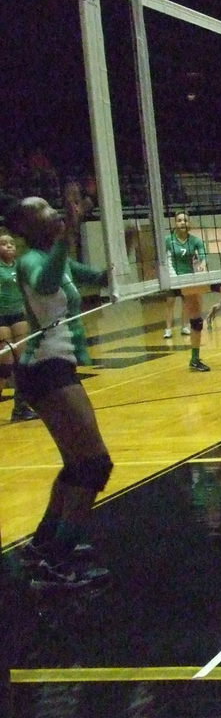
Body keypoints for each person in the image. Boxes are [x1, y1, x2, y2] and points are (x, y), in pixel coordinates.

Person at [0, 190, 114, 588]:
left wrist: (118, 273)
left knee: (75, 464)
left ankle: (44, 544)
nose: (53, 213)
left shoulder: (52, 258)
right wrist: (68, 235)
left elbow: (82, 274)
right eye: (44, 211)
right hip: (45, 370)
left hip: (54, 366)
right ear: (25, 229)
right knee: (95, 465)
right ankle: (57, 564)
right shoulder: (32, 261)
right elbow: (48, 281)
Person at [163, 211, 211, 371]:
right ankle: (168, 329)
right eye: (179, 220)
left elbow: (203, 254)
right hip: (173, 279)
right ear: (175, 223)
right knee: (169, 303)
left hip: (191, 281)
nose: (182, 222)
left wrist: (203, 264)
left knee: (193, 313)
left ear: (189, 223)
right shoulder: (168, 240)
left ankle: (194, 354)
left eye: (185, 220)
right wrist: (173, 279)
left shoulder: (195, 240)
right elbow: (164, 259)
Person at [1, 232, 36, 420]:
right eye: (4, 244)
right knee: (5, 366)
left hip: (18, 315)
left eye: (11, 243)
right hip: (1, 317)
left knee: (23, 363)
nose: (8, 246)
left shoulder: (20, 267)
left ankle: (20, 408)